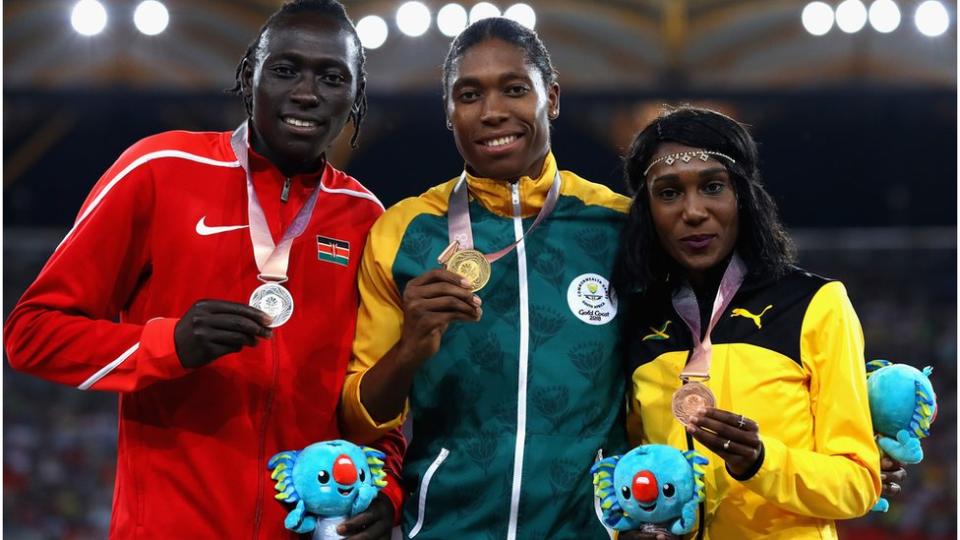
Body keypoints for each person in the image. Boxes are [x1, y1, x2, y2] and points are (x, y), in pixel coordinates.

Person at [4, 1, 404, 538]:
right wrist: (167, 346)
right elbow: (31, 334)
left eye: (332, 78)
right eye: (285, 70)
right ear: (248, 77)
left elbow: (379, 396)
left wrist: (389, 491)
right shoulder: (159, 170)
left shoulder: (369, 219)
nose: (307, 93)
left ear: (355, 96)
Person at [338, 17, 630, 539]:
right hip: (447, 527)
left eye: (515, 90)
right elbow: (361, 418)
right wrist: (409, 349)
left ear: (553, 98)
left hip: (590, 528)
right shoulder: (404, 232)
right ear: (449, 114)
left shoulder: (619, 226)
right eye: (468, 95)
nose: (493, 112)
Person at [613, 106, 883, 539]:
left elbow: (858, 483)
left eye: (713, 187)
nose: (694, 211)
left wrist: (761, 462)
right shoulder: (635, 320)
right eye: (668, 193)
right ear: (646, 210)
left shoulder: (815, 304)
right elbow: (626, 473)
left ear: (742, 196)